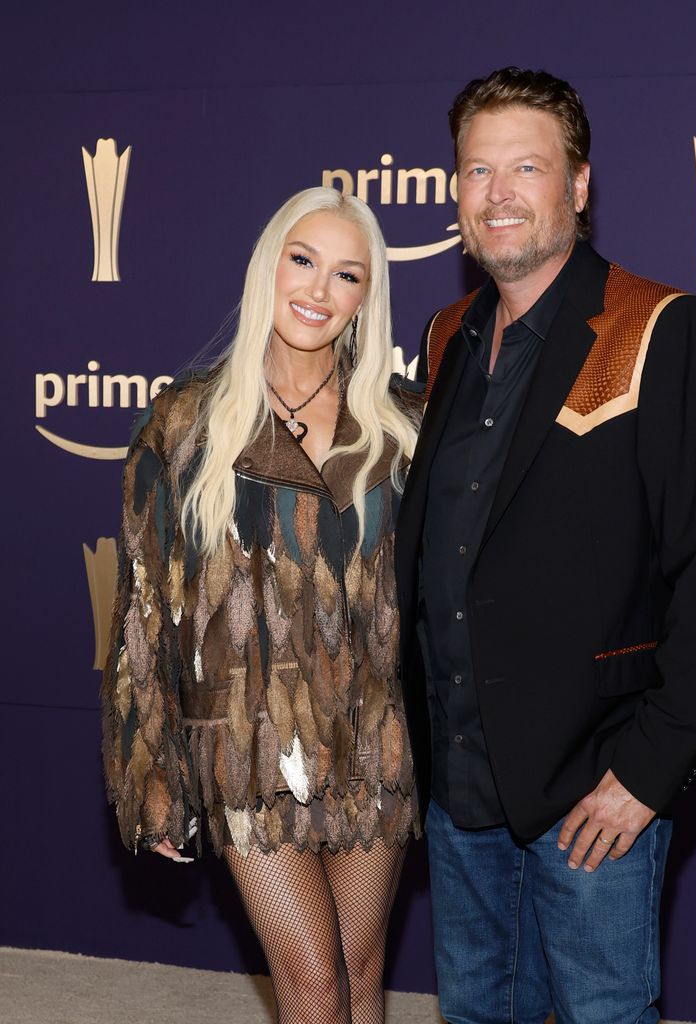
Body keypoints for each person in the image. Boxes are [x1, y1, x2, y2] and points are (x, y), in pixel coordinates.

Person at [395, 67, 696, 1024]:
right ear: (454, 193)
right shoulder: (441, 337)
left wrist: (645, 777)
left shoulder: (658, 328)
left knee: (602, 1014)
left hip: (591, 788)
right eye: (477, 172)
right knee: (477, 1014)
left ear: (579, 186)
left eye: (527, 167)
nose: (499, 194)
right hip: (460, 779)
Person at [101, 186, 420, 1024]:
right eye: (302, 261)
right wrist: (151, 769)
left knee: (358, 966)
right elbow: (143, 607)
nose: (318, 290)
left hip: (374, 729)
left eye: (346, 275)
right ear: (266, 268)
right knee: (310, 979)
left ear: (365, 300)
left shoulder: (403, 428)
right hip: (249, 737)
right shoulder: (185, 422)